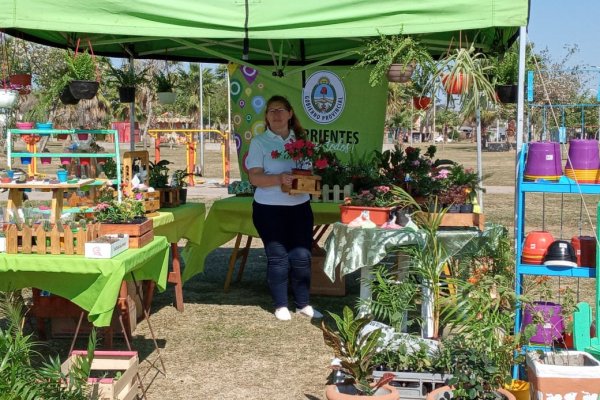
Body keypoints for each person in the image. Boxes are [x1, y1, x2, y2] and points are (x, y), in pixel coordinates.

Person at [245, 95, 322, 321]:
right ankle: (280, 305)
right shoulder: (260, 142)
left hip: (299, 207)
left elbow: (307, 173)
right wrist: (280, 178)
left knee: (302, 256)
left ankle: (303, 304)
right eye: (271, 111)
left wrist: (308, 179)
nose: (276, 114)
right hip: (268, 209)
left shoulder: (301, 142)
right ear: (266, 117)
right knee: (278, 257)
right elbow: (254, 178)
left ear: (290, 114)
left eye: (280, 110)